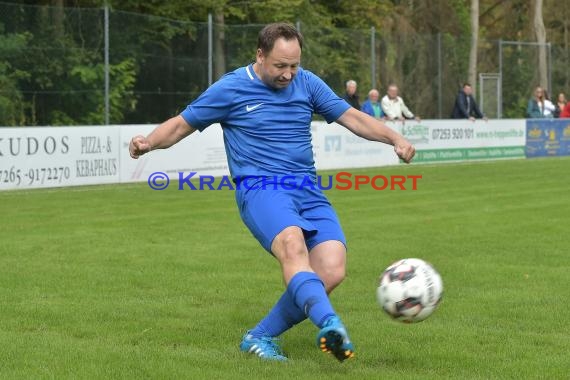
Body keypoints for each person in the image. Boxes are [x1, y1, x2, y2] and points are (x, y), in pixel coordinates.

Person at [129, 23, 415, 363]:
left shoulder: (307, 83)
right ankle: (329, 323)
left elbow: (354, 118)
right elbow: (181, 125)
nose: (288, 74)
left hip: (307, 189)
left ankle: (259, 336)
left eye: (294, 65)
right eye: (280, 65)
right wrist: (148, 143)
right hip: (261, 189)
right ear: (260, 55)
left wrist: (394, 138)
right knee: (292, 245)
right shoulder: (232, 88)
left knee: (332, 269)